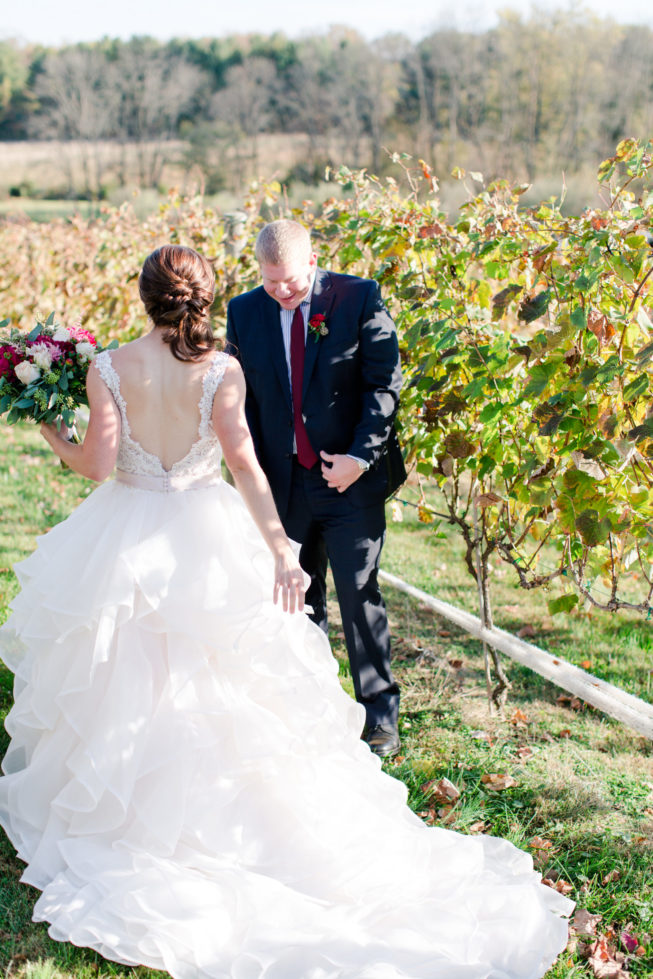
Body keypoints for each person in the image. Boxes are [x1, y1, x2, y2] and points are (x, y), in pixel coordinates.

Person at [0, 245, 572, 978]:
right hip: (208, 537)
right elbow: (245, 467)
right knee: (224, 683)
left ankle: (129, 814)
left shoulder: (109, 366)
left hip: (128, 537)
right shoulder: (222, 370)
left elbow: (98, 465)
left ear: (144, 298)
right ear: (206, 300)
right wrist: (277, 552)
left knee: (127, 674)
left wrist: (56, 435)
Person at [226, 220, 406, 758]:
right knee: (297, 598)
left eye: (293, 281)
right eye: (272, 281)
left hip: (350, 477)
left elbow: (384, 383)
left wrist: (358, 456)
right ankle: (312, 708)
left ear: (313, 261)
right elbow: (246, 402)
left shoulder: (358, 296)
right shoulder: (244, 311)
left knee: (359, 594)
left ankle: (379, 719)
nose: (283, 292)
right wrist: (254, 474)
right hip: (284, 482)